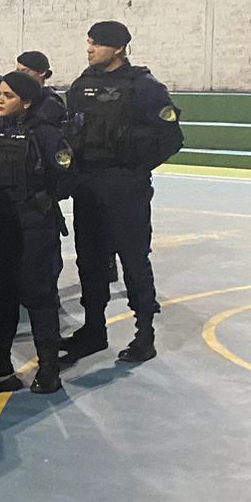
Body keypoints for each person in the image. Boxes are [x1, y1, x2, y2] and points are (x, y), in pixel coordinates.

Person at [61, 20, 183, 366]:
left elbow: (171, 138)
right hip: (88, 187)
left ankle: (144, 334)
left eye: (97, 44)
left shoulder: (145, 88)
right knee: (90, 260)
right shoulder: (81, 85)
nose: (90, 49)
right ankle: (93, 329)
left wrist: (134, 169)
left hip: (126, 188)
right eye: (89, 43)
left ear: (118, 48)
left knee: (133, 259)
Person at [0, 71, 75, 398]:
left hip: (33, 225)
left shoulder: (46, 134)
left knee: (38, 294)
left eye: (8, 96)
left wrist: (38, 200)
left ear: (26, 102)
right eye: (0, 94)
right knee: (1, 294)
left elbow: (67, 177)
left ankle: (49, 368)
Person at [15, 50, 65, 124]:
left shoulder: (51, 102)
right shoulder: (18, 96)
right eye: (17, 71)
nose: (18, 76)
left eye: (24, 71)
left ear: (42, 72)